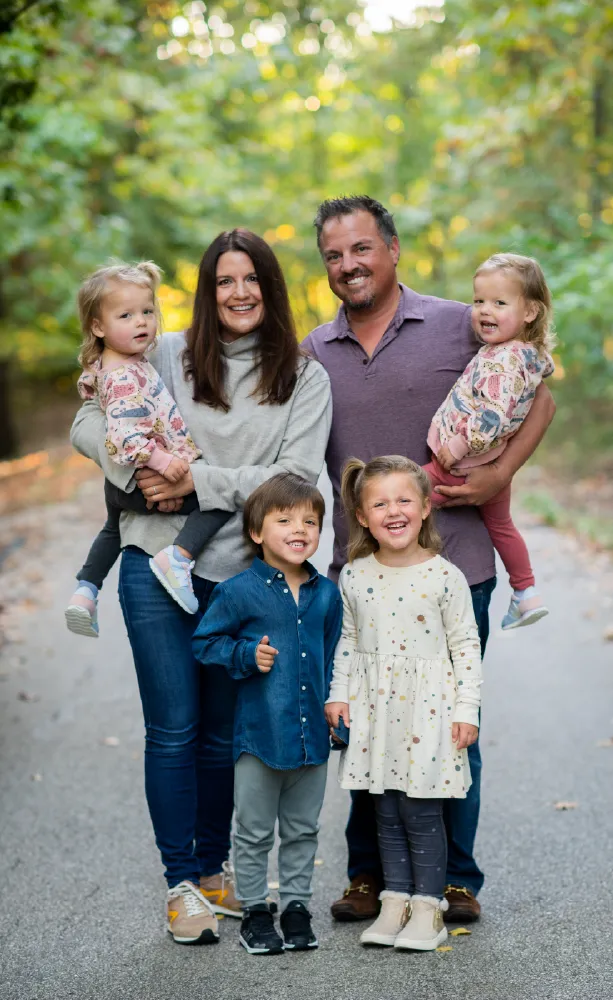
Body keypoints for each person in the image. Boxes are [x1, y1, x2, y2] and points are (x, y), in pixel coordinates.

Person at [70, 230, 332, 944]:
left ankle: (213, 869)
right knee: (175, 728)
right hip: (154, 561)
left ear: (271, 289)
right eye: (224, 281)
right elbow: (90, 416)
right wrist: (135, 476)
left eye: (251, 279)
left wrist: (195, 481)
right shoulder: (164, 350)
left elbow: (299, 479)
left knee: (224, 736)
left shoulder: (303, 376)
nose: (239, 292)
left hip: (245, 580)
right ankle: (180, 882)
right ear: (207, 291)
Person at [302, 195, 556, 924]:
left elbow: (540, 397)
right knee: (363, 723)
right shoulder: (315, 350)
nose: (347, 264)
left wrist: (502, 472)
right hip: (359, 575)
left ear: (391, 249)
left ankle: (454, 878)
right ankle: (366, 875)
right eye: (332, 254)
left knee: (451, 725)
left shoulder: (461, 321)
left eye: (360, 248)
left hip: (459, 564)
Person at [325, 455, 482, 951]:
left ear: (426, 507)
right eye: (379, 503)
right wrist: (338, 695)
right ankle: (394, 902)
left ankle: (428, 909)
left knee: (420, 811)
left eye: (403, 500)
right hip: (375, 712)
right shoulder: (354, 575)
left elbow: (465, 647)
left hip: (428, 713)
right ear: (363, 515)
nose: (393, 511)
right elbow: (348, 641)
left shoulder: (445, 576)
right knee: (384, 811)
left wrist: (466, 709)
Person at [193, 473, 342, 955]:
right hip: (259, 734)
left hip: (311, 738)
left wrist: (338, 712)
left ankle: (296, 907)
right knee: (254, 830)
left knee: (303, 829)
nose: (299, 529)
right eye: (285, 520)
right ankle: (256, 910)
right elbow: (205, 643)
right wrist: (243, 655)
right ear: (257, 532)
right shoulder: (238, 591)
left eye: (310, 521)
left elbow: (337, 654)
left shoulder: (326, 594)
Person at [64, 261, 232, 637]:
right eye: (126, 315)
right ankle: (178, 558)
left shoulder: (113, 362)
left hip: (120, 484)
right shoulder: (124, 375)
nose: (141, 322)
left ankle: (86, 590)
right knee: (219, 499)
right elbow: (124, 435)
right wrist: (162, 462)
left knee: (112, 529)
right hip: (146, 475)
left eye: (147, 311)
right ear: (97, 326)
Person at [424, 252, 555, 631]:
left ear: (530, 311)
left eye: (500, 303)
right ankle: (525, 592)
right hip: (489, 467)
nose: (485, 311)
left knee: (404, 496)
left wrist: (459, 446)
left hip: (461, 465)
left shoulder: (505, 360)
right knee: (501, 526)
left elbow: (492, 415)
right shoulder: (528, 355)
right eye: (479, 301)